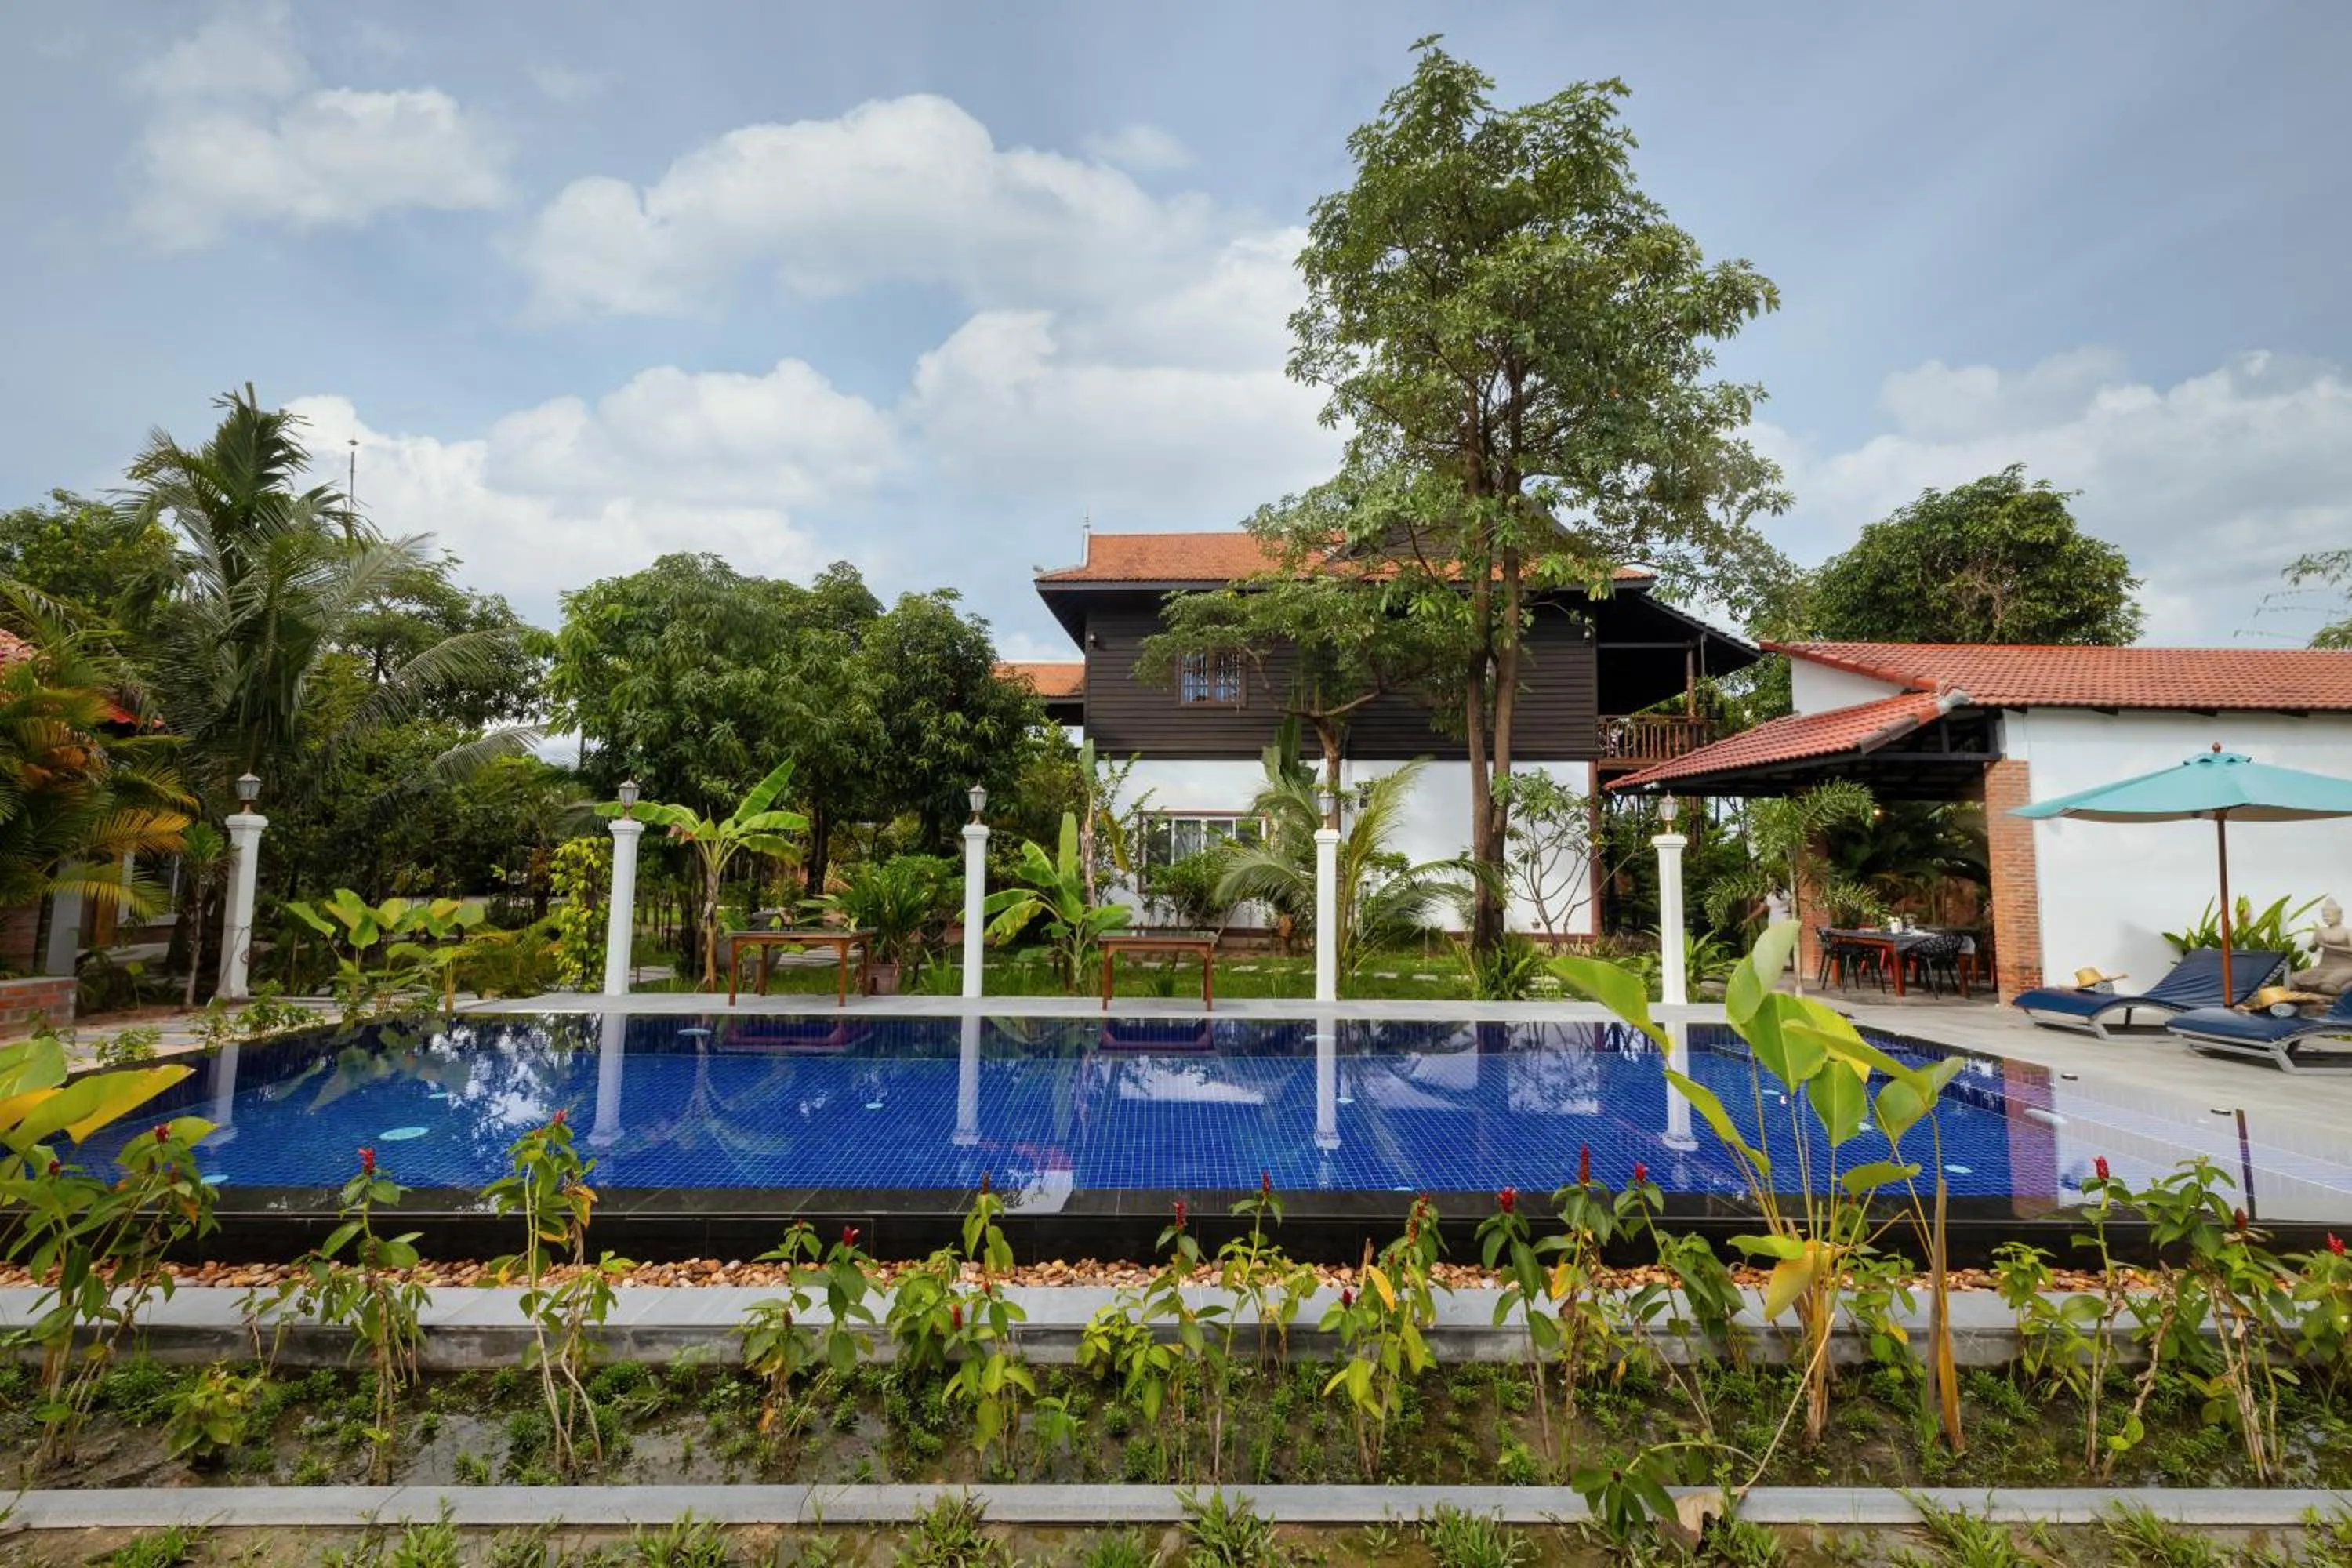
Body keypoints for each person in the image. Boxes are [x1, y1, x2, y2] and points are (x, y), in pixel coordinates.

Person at [2292, 897, 2352, 996]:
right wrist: (2315, 944)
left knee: (2328, 988)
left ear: (2340, 916)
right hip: (2323, 967)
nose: (2326, 918)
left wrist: (2328, 946)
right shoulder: (2321, 931)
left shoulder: (2348, 932)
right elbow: (2312, 949)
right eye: (2324, 916)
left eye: (2329, 916)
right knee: (2292, 983)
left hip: (2345, 967)